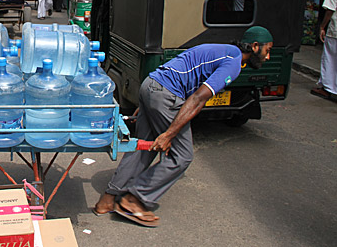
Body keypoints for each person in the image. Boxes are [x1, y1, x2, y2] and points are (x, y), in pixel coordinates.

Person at [93, 26, 274, 227]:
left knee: (144, 147)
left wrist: (148, 101)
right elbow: (198, 99)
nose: (268, 57)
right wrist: (169, 134)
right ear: (255, 47)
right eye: (267, 51)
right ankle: (134, 198)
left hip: (152, 84)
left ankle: (108, 199)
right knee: (183, 156)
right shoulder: (233, 63)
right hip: (165, 95)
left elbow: (178, 67)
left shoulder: (222, 50)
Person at [311, 0, 337, 101]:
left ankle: (327, 88)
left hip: (335, 31)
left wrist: (322, 26)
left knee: (330, 59)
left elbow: (330, 10)